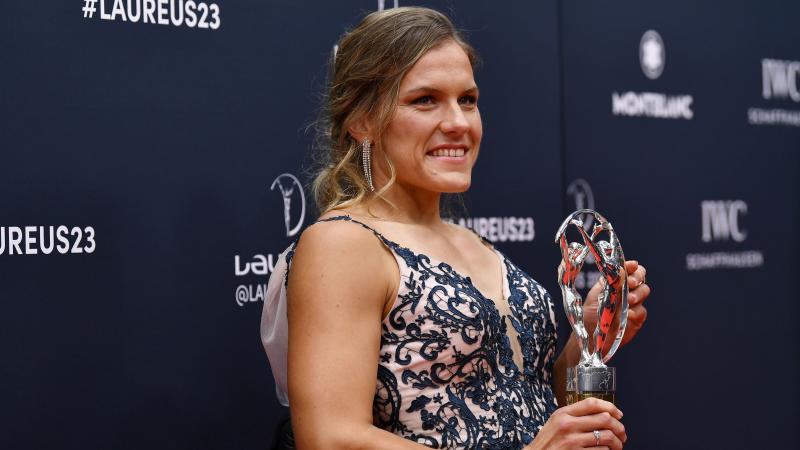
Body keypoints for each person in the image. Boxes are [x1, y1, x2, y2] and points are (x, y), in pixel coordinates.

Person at [270, 6, 650, 449]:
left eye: (467, 100)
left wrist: (587, 335)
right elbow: (330, 438)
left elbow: (524, 398)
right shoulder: (342, 244)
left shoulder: (474, 243)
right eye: (425, 100)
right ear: (362, 120)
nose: (458, 123)